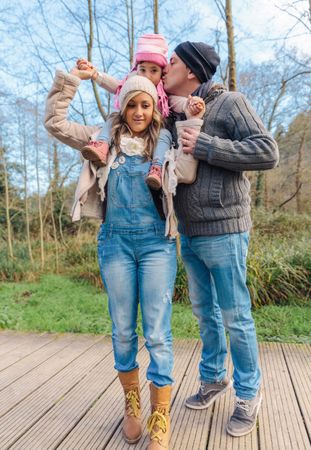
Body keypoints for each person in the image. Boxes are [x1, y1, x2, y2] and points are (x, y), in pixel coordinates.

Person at [45, 71, 178, 450]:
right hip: (115, 244)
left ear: (154, 109)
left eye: (145, 104)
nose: (138, 111)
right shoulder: (100, 140)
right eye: (131, 104)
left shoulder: (166, 145)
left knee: (156, 332)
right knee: (122, 330)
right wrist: (70, 82)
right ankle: (132, 405)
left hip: (157, 246)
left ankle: (160, 415)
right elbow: (55, 122)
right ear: (122, 107)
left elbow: (195, 148)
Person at [162, 41, 279, 437]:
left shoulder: (230, 103)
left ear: (192, 71)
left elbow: (267, 151)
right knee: (204, 313)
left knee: (236, 316)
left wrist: (208, 146)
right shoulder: (172, 112)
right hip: (189, 231)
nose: (165, 66)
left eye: (172, 61)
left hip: (226, 228)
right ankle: (214, 378)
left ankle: (249, 394)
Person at [76, 33, 205, 189]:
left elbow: (175, 102)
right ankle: (102, 146)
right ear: (136, 69)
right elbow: (117, 86)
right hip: (131, 128)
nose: (147, 76)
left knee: (165, 135)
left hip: (153, 131)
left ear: (161, 73)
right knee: (113, 118)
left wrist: (189, 105)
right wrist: (95, 74)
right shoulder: (133, 82)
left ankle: (157, 168)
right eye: (142, 69)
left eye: (153, 71)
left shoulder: (162, 90)